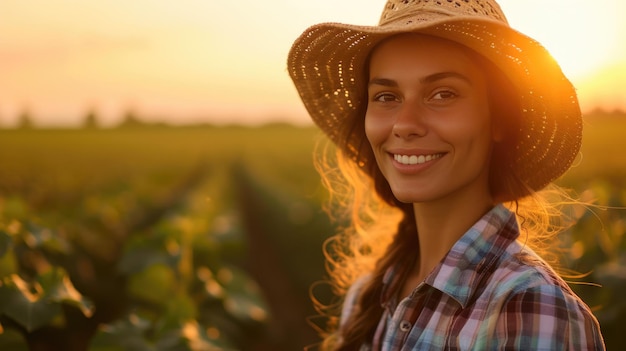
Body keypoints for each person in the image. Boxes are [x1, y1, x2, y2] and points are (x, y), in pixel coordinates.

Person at [288, 0, 605, 350]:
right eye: (386, 96)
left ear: (499, 119)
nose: (405, 124)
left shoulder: (530, 307)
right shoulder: (367, 297)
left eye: (443, 93)